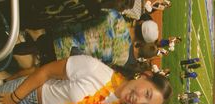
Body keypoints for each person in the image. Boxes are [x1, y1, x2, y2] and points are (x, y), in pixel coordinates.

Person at [0, 55, 173, 104]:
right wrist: (15, 97)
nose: (139, 101)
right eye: (147, 94)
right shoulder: (94, 68)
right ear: (145, 75)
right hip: (28, 95)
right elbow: (45, 71)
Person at [14, 10, 159, 68]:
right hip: (66, 59)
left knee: (28, 48)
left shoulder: (114, 16)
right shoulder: (122, 57)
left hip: (61, 36)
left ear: (140, 22)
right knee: (34, 64)